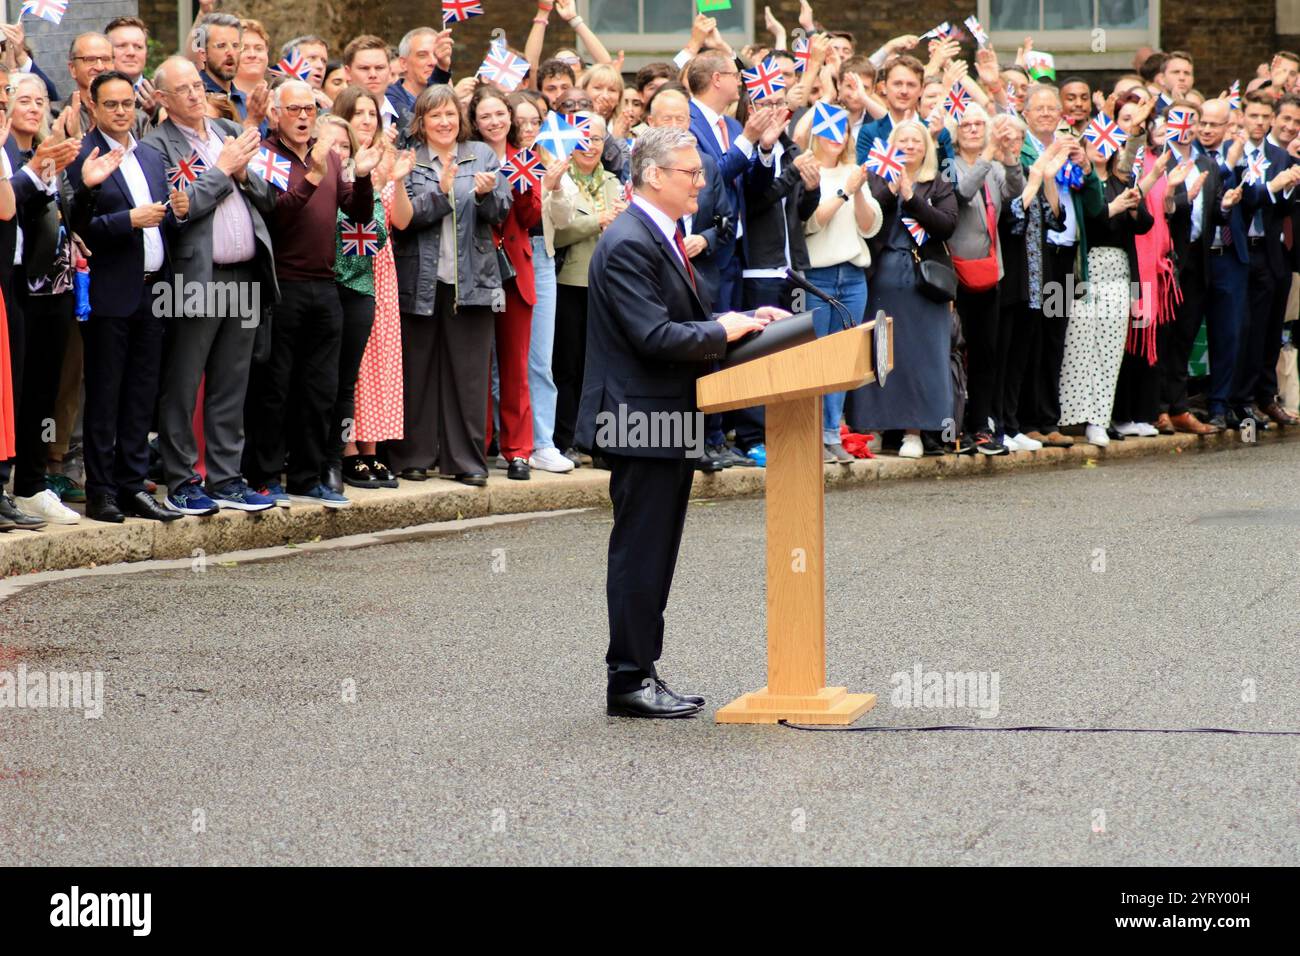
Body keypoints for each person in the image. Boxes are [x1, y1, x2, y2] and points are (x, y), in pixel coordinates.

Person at [576, 125, 783, 719]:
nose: (701, 181)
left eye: (699, 172)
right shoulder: (630, 241)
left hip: (663, 418)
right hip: (639, 422)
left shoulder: (656, 233)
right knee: (641, 552)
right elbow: (653, 336)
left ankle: (642, 670)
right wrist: (726, 330)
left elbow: (673, 319)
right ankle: (628, 680)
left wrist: (739, 318)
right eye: (690, 173)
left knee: (655, 551)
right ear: (653, 177)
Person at [145, 56, 280, 515]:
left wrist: (241, 173)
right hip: (195, 278)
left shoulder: (224, 132)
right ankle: (182, 479)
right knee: (184, 382)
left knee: (231, 383)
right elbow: (177, 212)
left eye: (197, 87)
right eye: (182, 90)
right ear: (162, 98)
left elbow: (267, 199)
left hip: (243, 273)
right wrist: (223, 171)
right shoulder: (156, 146)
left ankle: (226, 477)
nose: (195, 94)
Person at [243, 79, 380, 508]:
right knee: (274, 388)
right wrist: (314, 175)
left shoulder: (331, 157)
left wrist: (361, 175)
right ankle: (265, 476)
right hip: (281, 286)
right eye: (294, 109)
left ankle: (308, 474)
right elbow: (274, 215)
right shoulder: (266, 156)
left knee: (319, 389)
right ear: (276, 114)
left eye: (309, 110)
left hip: (326, 286)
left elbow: (355, 212)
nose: (304, 117)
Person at [67, 70, 190, 523]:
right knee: (106, 395)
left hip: (153, 290)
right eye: (112, 104)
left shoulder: (152, 156)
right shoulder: (84, 155)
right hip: (109, 292)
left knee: (141, 395)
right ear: (93, 107)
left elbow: (161, 224)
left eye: (127, 104)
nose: (121, 112)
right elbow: (76, 226)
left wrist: (177, 213)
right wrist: (128, 221)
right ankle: (101, 492)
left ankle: (132, 485)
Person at [385, 84, 512, 486]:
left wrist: (487, 196)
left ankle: (466, 461)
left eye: (451, 115)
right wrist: (442, 195)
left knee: (470, 376)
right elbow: (404, 218)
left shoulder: (482, 155)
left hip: (473, 280)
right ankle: (414, 456)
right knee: (417, 372)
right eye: (435, 116)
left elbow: (501, 212)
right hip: (418, 280)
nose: (445, 122)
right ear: (420, 123)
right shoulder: (410, 160)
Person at [844, 120, 957, 459]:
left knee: (921, 358)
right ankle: (873, 427)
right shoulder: (877, 181)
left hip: (924, 284)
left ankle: (914, 431)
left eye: (916, 140)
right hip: (882, 280)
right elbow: (868, 223)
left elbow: (946, 226)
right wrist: (891, 191)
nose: (909, 145)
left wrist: (911, 196)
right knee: (878, 353)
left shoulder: (937, 185)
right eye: (902, 140)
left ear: (926, 148)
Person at [1058, 104, 1156, 447]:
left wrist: (1131, 205)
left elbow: (1144, 222)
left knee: (1110, 349)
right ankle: (1072, 416)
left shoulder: (1121, 181)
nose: (1101, 148)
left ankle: (1099, 419)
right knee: (1079, 344)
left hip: (1118, 269)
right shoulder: (1078, 182)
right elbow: (1094, 219)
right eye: (1093, 142)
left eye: (1107, 143)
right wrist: (1113, 208)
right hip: (1086, 268)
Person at [332, 85, 409, 489]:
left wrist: (396, 180)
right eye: (358, 113)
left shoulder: (387, 157)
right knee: (353, 367)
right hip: (351, 269)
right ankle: (347, 453)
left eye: (372, 114)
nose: (366, 120)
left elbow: (402, 220)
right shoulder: (338, 162)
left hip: (383, 267)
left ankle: (372, 451)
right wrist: (373, 183)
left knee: (380, 363)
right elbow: (350, 224)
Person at [802, 106, 881, 462]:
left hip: (852, 275)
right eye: (829, 132)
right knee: (815, 355)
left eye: (842, 132)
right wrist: (844, 193)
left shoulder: (853, 172)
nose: (837, 139)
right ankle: (811, 432)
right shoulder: (808, 170)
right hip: (816, 276)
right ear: (816, 134)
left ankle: (833, 432)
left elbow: (869, 227)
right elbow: (811, 224)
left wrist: (859, 192)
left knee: (843, 357)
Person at [469, 85, 539, 480]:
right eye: (485, 116)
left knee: (515, 366)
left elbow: (530, 219)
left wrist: (527, 186)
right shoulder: (468, 157)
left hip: (515, 271)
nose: (494, 122)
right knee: (477, 362)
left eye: (500, 114)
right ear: (475, 123)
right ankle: (477, 446)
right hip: (477, 270)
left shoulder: (526, 158)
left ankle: (518, 450)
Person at [551, 112, 625, 467]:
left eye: (597, 139)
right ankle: (565, 437)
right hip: (571, 281)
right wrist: (598, 220)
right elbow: (559, 232)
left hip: (610, 286)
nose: (590, 146)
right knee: (568, 365)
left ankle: (598, 440)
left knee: (602, 366)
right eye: (583, 139)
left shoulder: (614, 181)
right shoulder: (560, 180)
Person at [950, 104, 1024, 454]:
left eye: (981, 123)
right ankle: (955, 425)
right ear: (956, 131)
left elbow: (1015, 192)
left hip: (991, 271)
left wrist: (1010, 158)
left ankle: (981, 425)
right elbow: (963, 193)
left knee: (986, 353)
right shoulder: (947, 165)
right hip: (956, 273)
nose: (975, 129)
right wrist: (988, 158)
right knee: (956, 351)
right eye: (967, 124)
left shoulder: (993, 164)